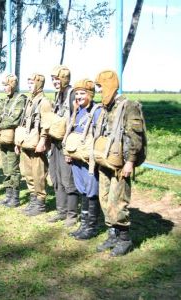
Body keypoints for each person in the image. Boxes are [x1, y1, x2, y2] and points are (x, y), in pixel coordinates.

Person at [93, 70, 146, 256]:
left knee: (118, 200)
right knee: (105, 198)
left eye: (100, 87)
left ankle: (124, 238)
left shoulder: (128, 106)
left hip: (121, 163)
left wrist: (130, 162)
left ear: (109, 85)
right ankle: (112, 234)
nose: (98, 91)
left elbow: (135, 137)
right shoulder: (106, 108)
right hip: (106, 161)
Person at [62, 79, 102, 240]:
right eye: (77, 93)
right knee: (82, 189)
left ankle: (91, 226)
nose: (78, 96)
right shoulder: (77, 111)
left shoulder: (97, 111)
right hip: (76, 157)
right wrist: (68, 152)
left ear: (90, 94)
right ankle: (84, 224)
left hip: (89, 160)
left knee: (92, 190)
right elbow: (70, 132)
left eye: (82, 93)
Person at [47, 65, 79, 227]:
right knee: (56, 176)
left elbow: (78, 118)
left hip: (67, 143)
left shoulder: (73, 94)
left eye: (57, 79)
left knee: (68, 179)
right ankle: (61, 210)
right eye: (53, 79)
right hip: (55, 142)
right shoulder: (58, 95)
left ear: (65, 78)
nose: (55, 82)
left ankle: (72, 214)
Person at [16, 73, 52, 216]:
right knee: (27, 172)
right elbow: (23, 122)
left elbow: (47, 124)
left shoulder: (44, 102)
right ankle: (33, 199)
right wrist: (18, 142)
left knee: (38, 174)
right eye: (28, 83)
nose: (29, 85)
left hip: (37, 143)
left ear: (39, 84)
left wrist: (43, 140)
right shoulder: (30, 101)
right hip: (26, 141)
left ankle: (40, 202)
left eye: (32, 83)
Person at [0, 74, 27, 207]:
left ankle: (15, 197)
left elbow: (14, 119)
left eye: (7, 85)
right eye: (4, 86)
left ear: (13, 85)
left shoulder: (20, 99)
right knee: (6, 167)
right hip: (3, 139)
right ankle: (8, 196)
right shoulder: (5, 100)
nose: (5, 88)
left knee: (13, 168)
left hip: (12, 139)